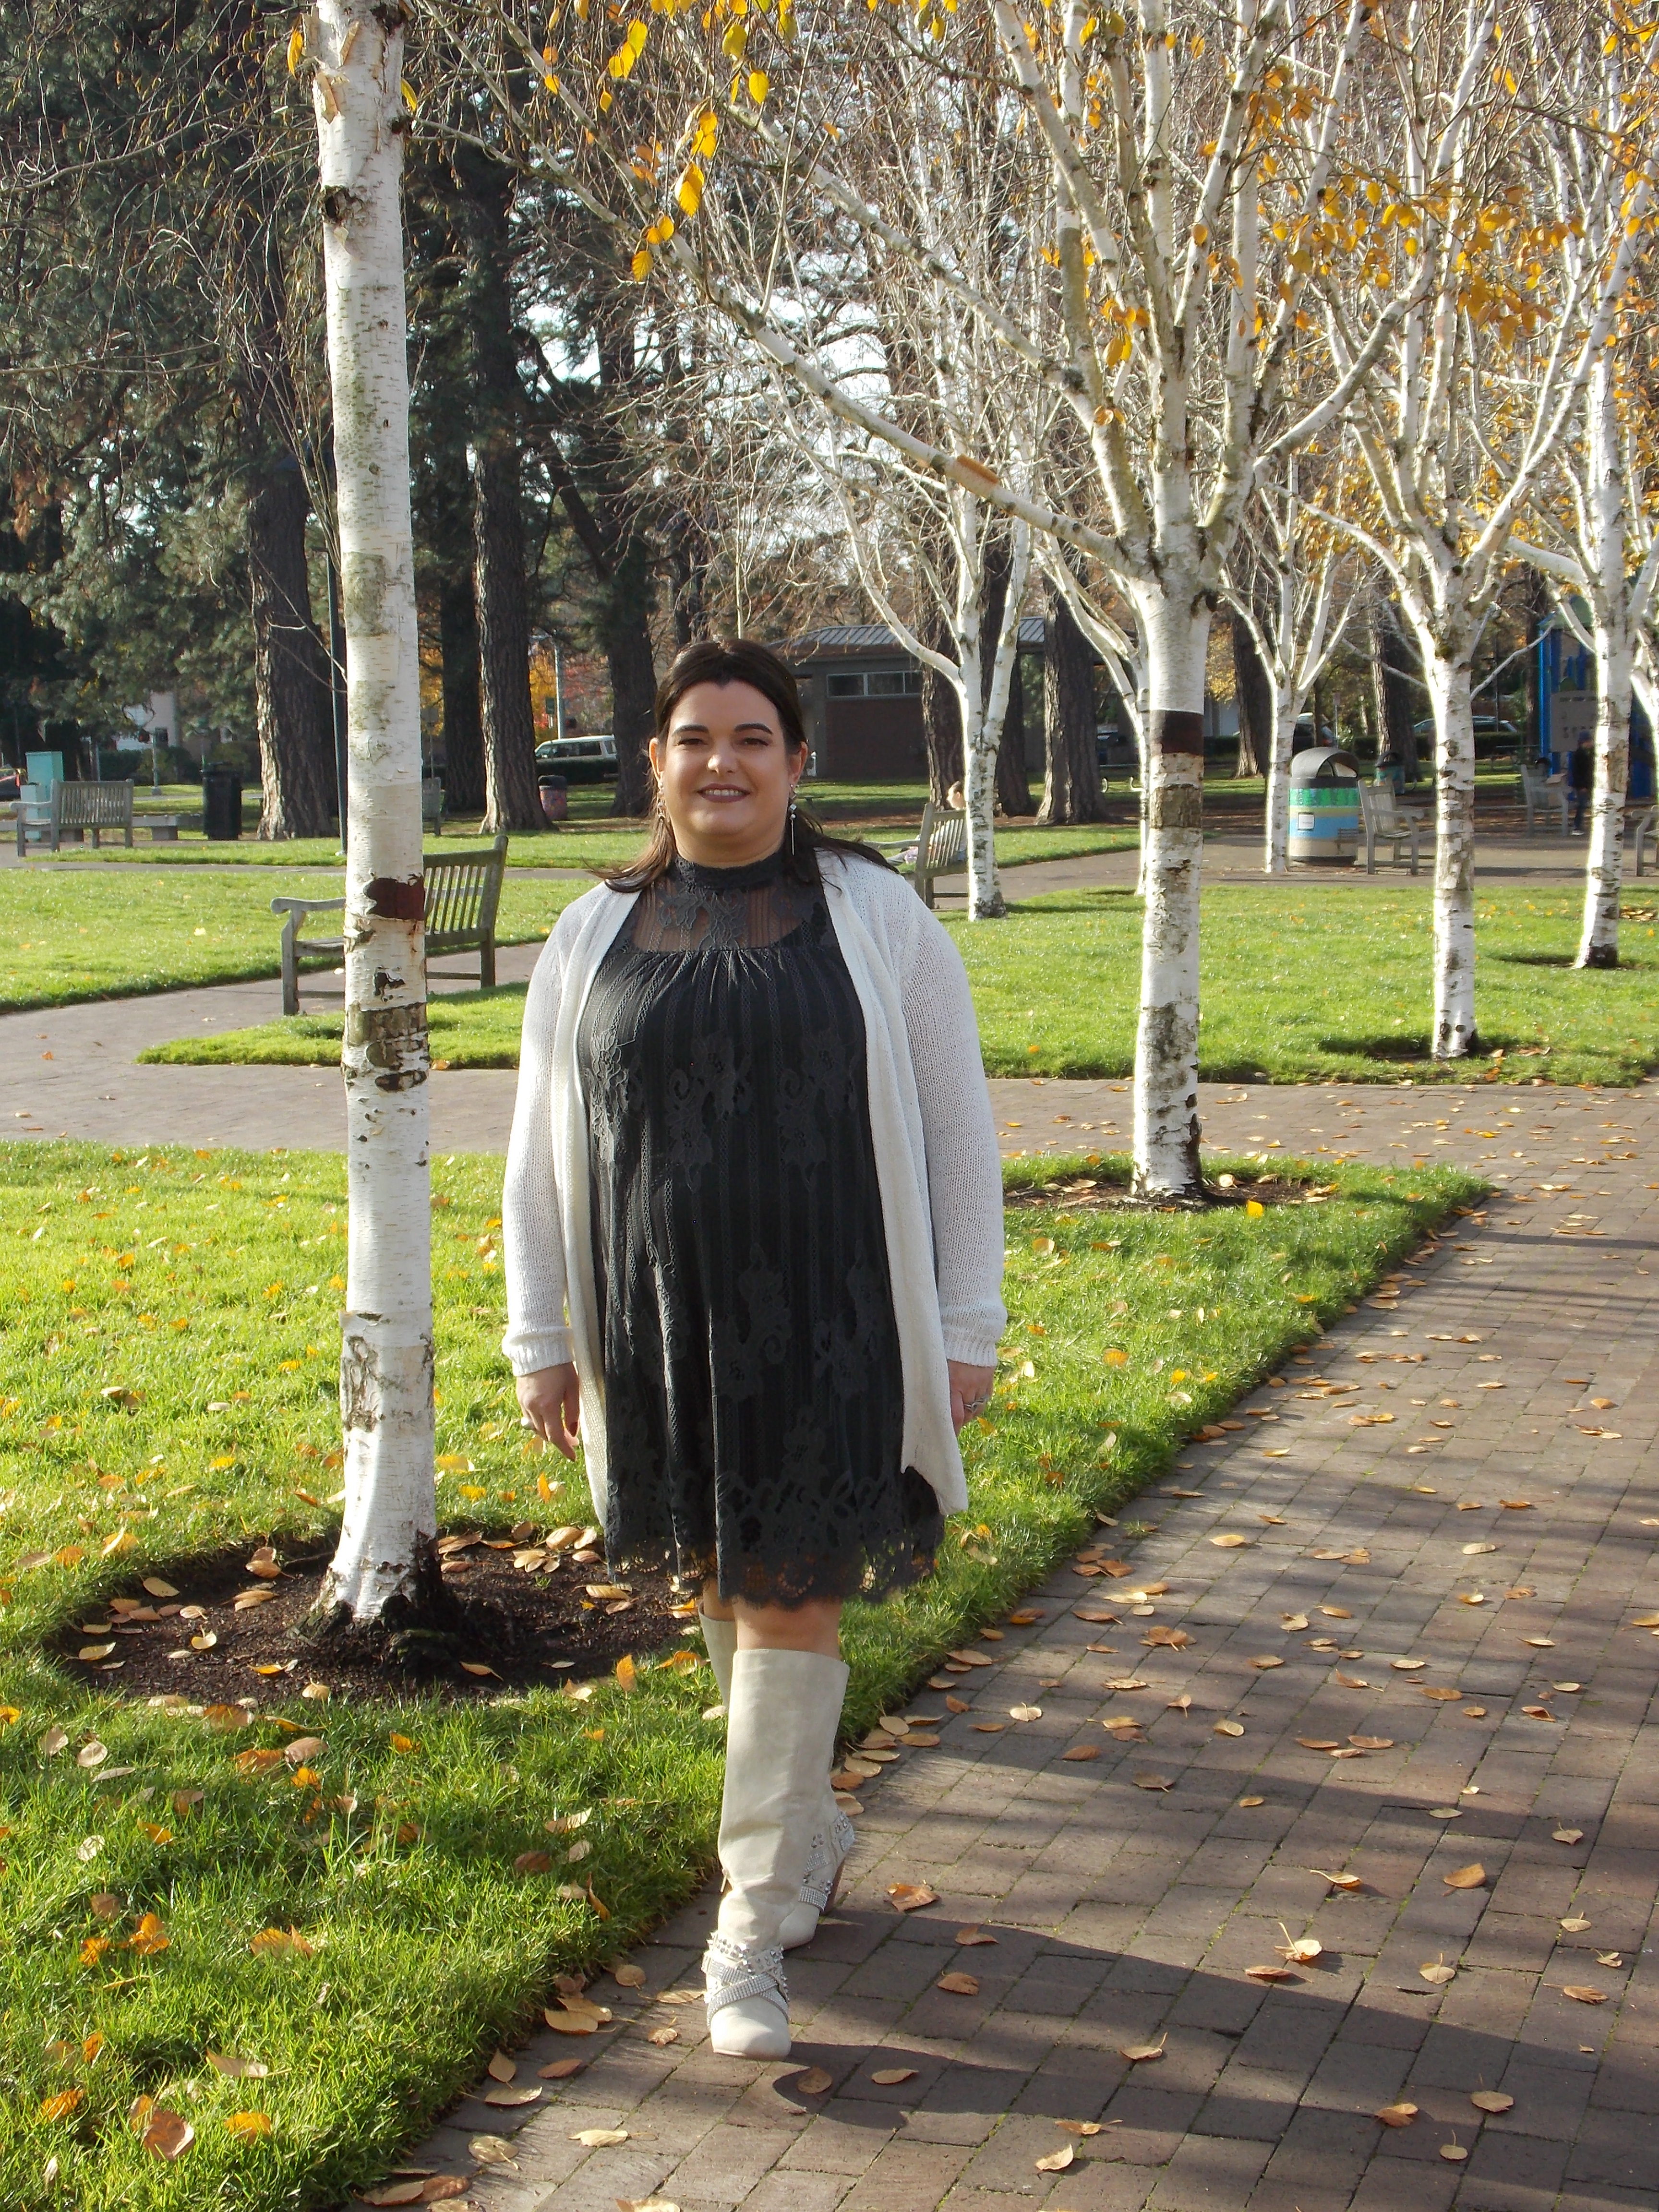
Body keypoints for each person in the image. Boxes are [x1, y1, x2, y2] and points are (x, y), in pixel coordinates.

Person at [502, 637, 1005, 2062]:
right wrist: (541, 1335)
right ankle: (807, 1832)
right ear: (655, 762)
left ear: (796, 761)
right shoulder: (589, 931)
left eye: (750, 738)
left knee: (787, 1593)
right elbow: (537, 1148)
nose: (719, 762)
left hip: (837, 1319)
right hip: (659, 1324)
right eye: (693, 738)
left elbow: (957, 1130)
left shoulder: (877, 916)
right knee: (726, 1588)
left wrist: (963, 1322)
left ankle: (747, 1929)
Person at [1568, 732, 1593, 833]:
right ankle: (1577, 826)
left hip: (1588, 783)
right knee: (1581, 805)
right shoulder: (1579, 755)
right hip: (1582, 785)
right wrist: (1582, 786)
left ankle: (1580, 825)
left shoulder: (1590, 753)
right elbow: (1577, 772)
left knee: (1584, 805)